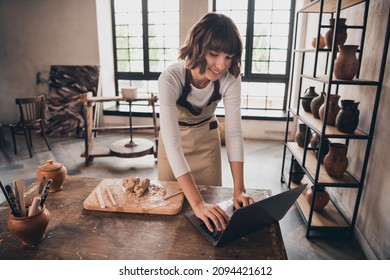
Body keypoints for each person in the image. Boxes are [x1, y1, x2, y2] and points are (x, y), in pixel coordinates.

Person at [157, 12, 254, 232]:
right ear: (197, 47)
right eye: (214, 54)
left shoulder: (230, 78)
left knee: (210, 221)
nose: (221, 65)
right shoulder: (170, 78)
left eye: (228, 56)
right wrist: (197, 203)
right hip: (172, 150)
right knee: (172, 219)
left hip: (207, 146)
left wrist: (239, 189)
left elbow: (233, 133)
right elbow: (173, 144)